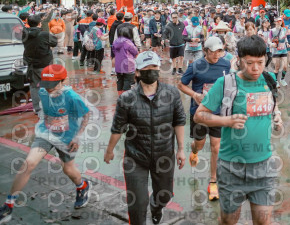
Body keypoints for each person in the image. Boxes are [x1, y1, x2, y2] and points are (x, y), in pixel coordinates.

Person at [194, 35, 283, 225]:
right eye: (249, 63)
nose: (256, 68)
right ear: (239, 60)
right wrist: (226, 121)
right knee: (229, 221)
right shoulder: (225, 84)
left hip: (264, 166)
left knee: (263, 222)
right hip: (231, 168)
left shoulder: (269, 79)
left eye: (260, 62)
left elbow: (273, 102)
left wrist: (277, 115)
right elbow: (199, 116)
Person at [0, 64, 92, 223]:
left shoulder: (72, 97)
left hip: (67, 138)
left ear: (64, 81)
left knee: (68, 169)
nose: (49, 89)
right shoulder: (42, 92)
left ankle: (83, 186)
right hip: (46, 134)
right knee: (28, 163)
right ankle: (8, 205)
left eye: (53, 85)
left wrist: (77, 137)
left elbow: (86, 115)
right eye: (46, 84)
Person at [104, 51, 186, 225]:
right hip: (136, 157)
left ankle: (156, 207)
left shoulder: (172, 93)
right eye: (146, 68)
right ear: (137, 72)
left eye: (154, 67)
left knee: (164, 195)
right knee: (137, 204)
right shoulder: (127, 98)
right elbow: (118, 128)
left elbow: (179, 121)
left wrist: (181, 149)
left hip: (164, 155)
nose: (151, 71)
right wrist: (109, 150)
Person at [179, 36, 231, 202]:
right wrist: (195, 95)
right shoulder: (196, 65)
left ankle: (213, 181)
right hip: (199, 113)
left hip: (218, 113)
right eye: (213, 52)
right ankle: (194, 151)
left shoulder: (226, 64)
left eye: (219, 51)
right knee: (199, 144)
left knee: (216, 147)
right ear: (205, 51)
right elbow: (181, 84)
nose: (216, 55)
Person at [22, 14, 58, 114]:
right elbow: (54, 42)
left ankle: (37, 108)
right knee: (49, 84)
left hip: (31, 64)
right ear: (39, 23)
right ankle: (50, 106)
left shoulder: (24, 34)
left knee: (34, 86)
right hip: (45, 63)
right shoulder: (44, 34)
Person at [112, 25, 139, 95]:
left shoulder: (115, 42)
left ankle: (120, 96)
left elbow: (114, 51)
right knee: (128, 81)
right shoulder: (128, 42)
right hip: (128, 65)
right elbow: (135, 51)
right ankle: (125, 97)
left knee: (119, 80)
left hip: (118, 65)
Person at [270, 16, 289, 87]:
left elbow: (285, 38)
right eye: (277, 21)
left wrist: (287, 43)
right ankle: (275, 81)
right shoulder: (272, 30)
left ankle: (282, 79)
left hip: (283, 50)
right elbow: (269, 40)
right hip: (276, 51)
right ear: (275, 22)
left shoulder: (284, 29)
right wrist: (272, 44)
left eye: (280, 21)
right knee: (277, 67)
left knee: (285, 66)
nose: (279, 22)